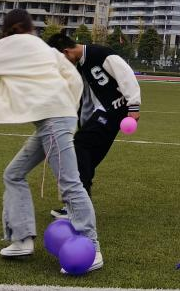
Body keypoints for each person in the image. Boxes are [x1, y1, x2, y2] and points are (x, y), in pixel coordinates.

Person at [0, 10, 103, 274]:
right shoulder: (43, 48)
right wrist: (68, 106)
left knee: (70, 183)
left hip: (53, 121)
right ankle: (22, 239)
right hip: (56, 119)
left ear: (9, 28)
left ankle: (92, 248)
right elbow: (73, 77)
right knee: (13, 174)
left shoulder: (16, 42)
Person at [47, 31, 141, 219]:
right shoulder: (81, 66)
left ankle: (78, 208)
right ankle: (80, 205)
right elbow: (87, 98)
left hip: (113, 112)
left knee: (79, 146)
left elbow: (126, 75)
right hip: (101, 115)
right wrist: (82, 122)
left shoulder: (100, 54)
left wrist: (134, 105)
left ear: (66, 52)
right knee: (87, 160)